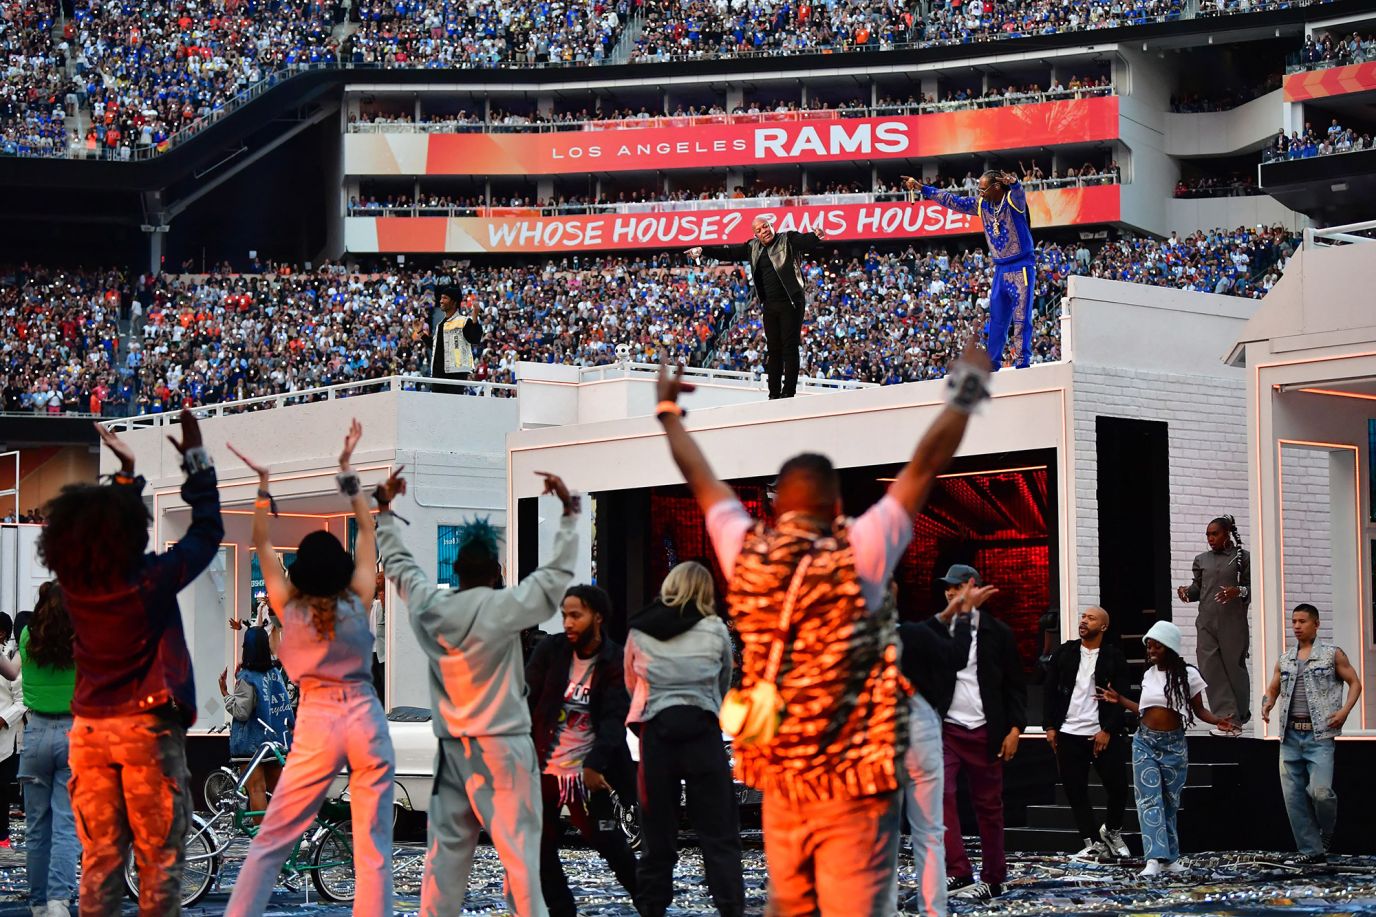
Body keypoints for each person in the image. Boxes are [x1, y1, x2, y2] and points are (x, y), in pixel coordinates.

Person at [654, 339, 992, 915]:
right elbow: (924, 466)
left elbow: (702, 480)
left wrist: (668, 412)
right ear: (837, 508)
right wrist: (963, 394)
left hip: (783, 779)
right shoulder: (860, 550)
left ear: (776, 506)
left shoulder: (745, 551)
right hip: (853, 778)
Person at [374, 469, 581, 917]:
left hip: (452, 751)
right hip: (504, 749)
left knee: (444, 871)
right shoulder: (505, 607)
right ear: (498, 572)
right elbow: (553, 579)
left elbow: (402, 570)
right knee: (521, 867)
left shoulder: (432, 609)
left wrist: (385, 515)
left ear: (456, 571)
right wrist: (568, 515)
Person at [41, 414, 220, 915]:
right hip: (146, 728)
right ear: (131, 531)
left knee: (99, 860)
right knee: (158, 861)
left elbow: (108, 531)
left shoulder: (76, 588)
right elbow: (208, 531)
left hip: (90, 733)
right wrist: (196, 461)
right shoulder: (151, 581)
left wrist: (125, 475)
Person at [225, 420, 395, 916]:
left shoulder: (290, 606)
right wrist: (347, 474)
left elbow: (260, 544)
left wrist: (262, 489)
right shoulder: (358, 597)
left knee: (273, 837)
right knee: (373, 847)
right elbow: (367, 528)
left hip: (318, 716)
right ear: (340, 568)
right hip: (363, 712)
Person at [625, 561, 743, 917]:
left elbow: (632, 683)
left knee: (656, 839)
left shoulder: (640, 630)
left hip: (656, 737)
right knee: (719, 835)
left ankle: (652, 907)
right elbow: (724, 680)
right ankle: (730, 907)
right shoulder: (714, 629)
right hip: (702, 734)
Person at [528, 584, 639, 917]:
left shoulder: (614, 659)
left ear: (598, 617)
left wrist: (594, 765)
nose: (568, 622)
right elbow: (526, 695)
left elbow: (614, 717)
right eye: (564, 615)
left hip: (588, 769)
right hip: (544, 765)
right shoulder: (551, 650)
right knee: (539, 844)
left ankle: (648, 903)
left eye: (576, 615)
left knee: (607, 842)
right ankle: (563, 910)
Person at [1099, 620, 1237, 877]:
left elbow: (1199, 710)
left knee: (1169, 802)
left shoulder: (1189, 675)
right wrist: (1118, 699)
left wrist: (1218, 720)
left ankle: (1170, 858)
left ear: (1170, 648)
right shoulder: (1148, 675)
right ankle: (1153, 858)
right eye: (1149, 646)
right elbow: (1143, 707)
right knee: (1148, 800)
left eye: (1156, 646)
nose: (1150, 650)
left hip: (1174, 745)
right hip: (1144, 743)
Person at [927, 564, 1027, 903]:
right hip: (947, 729)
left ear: (973, 588)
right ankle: (958, 870)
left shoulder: (998, 633)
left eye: (956, 587)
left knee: (989, 806)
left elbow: (1015, 685)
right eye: (947, 588)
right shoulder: (940, 629)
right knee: (939, 795)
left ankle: (994, 877)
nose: (950, 593)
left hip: (987, 730)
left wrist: (1015, 729)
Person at [894, 580, 987, 917]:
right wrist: (960, 618)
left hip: (873, 730)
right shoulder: (909, 634)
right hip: (916, 724)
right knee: (928, 829)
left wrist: (953, 612)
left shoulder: (851, 633)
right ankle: (933, 907)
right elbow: (956, 656)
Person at [900, 171, 1035, 370]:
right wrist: (922, 189)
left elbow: (1019, 194)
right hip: (1000, 268)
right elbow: (952, 200)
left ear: (997, 187)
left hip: (1020, 266)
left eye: (983, 189)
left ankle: (1022, 361)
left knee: (1022, 317)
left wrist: (1015, 184)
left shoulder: (1012, 202)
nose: (980, 193)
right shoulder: (983, 205)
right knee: (997, 319)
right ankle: (993, 362)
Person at [1260, 603, 1362, 864]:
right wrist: (1267, 702)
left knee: (1321, 792)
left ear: (1316, 624)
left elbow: (1355, 682)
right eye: (1293, 621)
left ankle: (1326, 830)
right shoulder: (1285, 658)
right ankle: (1311, 851)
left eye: (1302, 621)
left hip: (1319, 736)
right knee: (1293, 798)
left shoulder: (1331, 654)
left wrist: (1345, 712)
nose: (1296, 626)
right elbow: (1272, 688)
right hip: (1290, 735)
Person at [686, 218, 828, 399]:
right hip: (769, 304)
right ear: (756, 235)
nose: (764, 231)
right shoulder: (752, 247)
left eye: (766, 226)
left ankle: (788, 392)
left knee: (789, 347)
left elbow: (804, 241)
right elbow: (728, 253)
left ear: (772, 226)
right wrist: (703, 250)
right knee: (773, 349)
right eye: (760, 230)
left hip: (791, 302)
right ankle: (774, 394)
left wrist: (815, 236)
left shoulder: (787, 239)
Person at [1043, 606, 1133, 860]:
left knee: (1118, 787)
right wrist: (1050, 727)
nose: (1083, 621)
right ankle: (1092, 841)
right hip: (1068, 732)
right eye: (1083, 617)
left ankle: (1112, 831)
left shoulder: (1113, 656)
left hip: (1101, 733)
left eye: (1090, 618)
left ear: (1103, 627)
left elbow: (1121, 697)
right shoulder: (1065, 652)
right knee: (1075, 789)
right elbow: (1049, 691)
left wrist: (1107, 730)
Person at [1176, 514, 1251, 733]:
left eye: (1214, 533)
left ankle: (1239, 716)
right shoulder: (1202, 559)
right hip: (1206, 621)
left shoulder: (1242, 558)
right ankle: (1228, 720)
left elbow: (1254, 588)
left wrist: (1238, 591)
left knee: (1233, 669)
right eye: (1208, 534)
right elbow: (1198, 590)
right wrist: (1186, 593)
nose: (1210, 538)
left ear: (1227, 533)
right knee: (1209, 669)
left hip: (1233, 622)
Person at [219, 624, 294, 823]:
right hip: (276, 741)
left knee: (256, 790)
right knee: (278, 792)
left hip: (251, 744)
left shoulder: (248, 677)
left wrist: (226, 693)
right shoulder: (275, 674)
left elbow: (242, 712)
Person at [429, 285, 484, 393]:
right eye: (441, 298)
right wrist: (421, 333)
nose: (441, 301)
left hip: (456, 373)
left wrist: (474, 317)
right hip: (437, 375)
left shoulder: (464, 321)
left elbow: (475, 338)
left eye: (445, 298)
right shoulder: (440, 325)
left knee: (453, 407)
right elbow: (436, 346)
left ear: (454, 302)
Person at [0, 612, 24, 850]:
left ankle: (3, 836)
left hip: (5, 740)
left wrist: (3, 719)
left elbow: (22, 698)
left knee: (2, 791)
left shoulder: (11, 661)